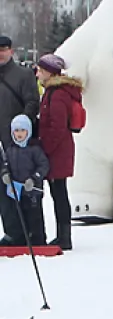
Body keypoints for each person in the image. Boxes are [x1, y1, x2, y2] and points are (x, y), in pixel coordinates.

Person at [34, 54, 82, 251]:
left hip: (57, 151)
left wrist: (44, 149)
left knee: (59, 193)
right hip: (58, 150)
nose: (37, 73)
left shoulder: (57, 94)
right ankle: (63, 235)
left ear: (48, 72)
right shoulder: (53, 92)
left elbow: (57, 126)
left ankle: (64, 237)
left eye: (39, 70)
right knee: (58, 193)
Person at [0, 35, 41, 247]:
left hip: (18, 144)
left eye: (4, 49)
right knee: (2, 189)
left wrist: (22, 129)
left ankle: (30, 232)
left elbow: (33, 102)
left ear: (11, 51)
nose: (0, 53)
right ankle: (12, 231)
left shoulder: (23, 75)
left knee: (22, 189)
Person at [2, 115, 49, 245]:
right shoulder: (10, 150)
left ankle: (38, 240)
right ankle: (22, 239)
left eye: (22, 131)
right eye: (16, 131)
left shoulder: (35, 149)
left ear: (28, 131)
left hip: (33, 190)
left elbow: (44, 165)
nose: (19, 134)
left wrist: (34, 178)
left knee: (35, 217)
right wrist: (5, 174)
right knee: (20, 215)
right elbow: (5, 165)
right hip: (17, 191)